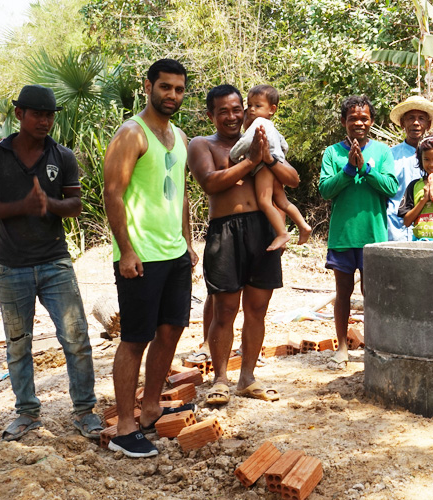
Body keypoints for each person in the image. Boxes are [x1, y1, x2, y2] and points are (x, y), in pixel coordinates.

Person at [0, 84, 101, 442]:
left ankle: (84, 412)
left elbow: (74, 205)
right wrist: (23, 206)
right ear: (19, 114)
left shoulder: (62, 156)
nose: (44, 121)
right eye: (37, 114)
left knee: (76, 338)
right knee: (18, 343)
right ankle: (27, 413)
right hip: (11, 266)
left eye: (49, 115)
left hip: (55, 262)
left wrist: (49, 203)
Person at [103, 59, 198, 457]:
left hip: (174, 254)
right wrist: (126, 250)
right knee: (135, 339)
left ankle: (151, 408)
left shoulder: (180, 135)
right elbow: (113, 192)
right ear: (148, 86)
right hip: (140, 257)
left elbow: (181, 195)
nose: (172, 95)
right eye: (165, 87)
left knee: (171, 330)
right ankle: (125, 429)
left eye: (178, 89)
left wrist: (189, 242)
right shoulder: (131, 133)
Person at [188, 84, 301, 406]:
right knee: (224, 311)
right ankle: (220, 379)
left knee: (257, 311)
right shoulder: (202, 145)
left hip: (262, 230)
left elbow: (292, 179)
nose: (233, 116)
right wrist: (251, 161)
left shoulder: (261, 138)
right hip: (225, 232)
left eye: (238, 109)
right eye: (223, 111)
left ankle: (247, 377)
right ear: (210, 115)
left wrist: (265, 157)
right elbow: (210, 182)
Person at [318, 95, 398, 369]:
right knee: (343, 292)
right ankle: (341, 347)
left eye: (364, 118)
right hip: (343, 235)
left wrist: (365, 167)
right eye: (353, 118)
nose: (359, 123)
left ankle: (374, 346)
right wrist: (349, 169)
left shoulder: (382, 152)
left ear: (372, 121)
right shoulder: (332, 153)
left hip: (374, 236)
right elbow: (326, 189)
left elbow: (390, 188)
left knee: (372, 294)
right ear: (344, 122)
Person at [229, 84, 312, 250]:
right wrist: (279, 156)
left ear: (272, 109)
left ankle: (282, 233)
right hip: (276, 163)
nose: (252, 110)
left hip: (264, 167)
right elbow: (284, 145)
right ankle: (303, 225)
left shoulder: (258, 123)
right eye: (250, 105)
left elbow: (244, 142)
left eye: (257, 106)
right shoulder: (271, 125)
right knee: (282, 200)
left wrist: (233, 156)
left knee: (264, 201)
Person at [387, 95, 433, 241]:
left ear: (428, 124)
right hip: (395, 228)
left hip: (428, 228)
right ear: (402, 123)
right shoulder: (391, 156)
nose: (416, 123)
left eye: (421, 118)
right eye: (411, 118)